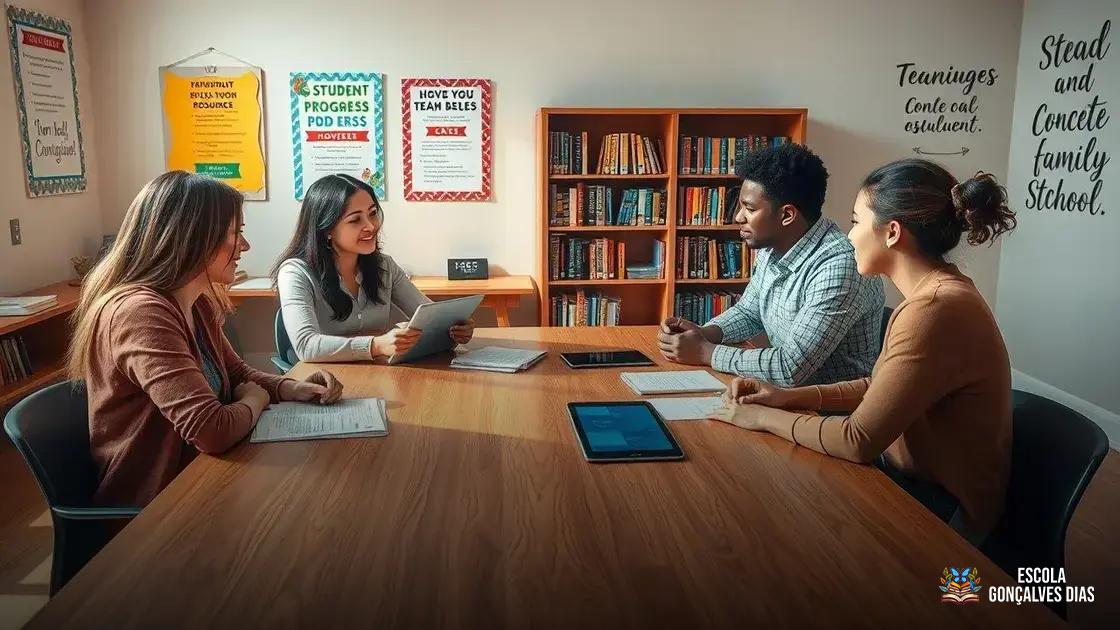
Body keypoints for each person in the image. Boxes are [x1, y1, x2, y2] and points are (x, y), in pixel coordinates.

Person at [709, 159, 1018, 544]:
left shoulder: (934, 309)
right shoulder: (936, 294)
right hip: (906, 475)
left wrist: (759, 416)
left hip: (940, 510)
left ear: (891, 232)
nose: (849, 235)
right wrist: (787, 398)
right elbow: (882, 385)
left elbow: (857, 440)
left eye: (856, 221)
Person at [68, 171, 344, 508]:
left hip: (202, 477)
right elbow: (211, 430)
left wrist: (290, 387)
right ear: (193, 238)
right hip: (155, 507)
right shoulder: (140, 313)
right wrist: (255, 401)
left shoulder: (195, 301)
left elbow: (239, 376)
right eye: (234, 233)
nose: (244, 245)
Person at [658, 143, 884, 387]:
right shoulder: (773, 244)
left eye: (750, 208)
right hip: (784, 396)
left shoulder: (839, 268)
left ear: (787, 215)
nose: (738, 217)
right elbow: (749, 312)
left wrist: (705, 352)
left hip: (828, 410)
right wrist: (705, 333)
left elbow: (790, 367)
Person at [273, 174, 474, 363]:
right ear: (326, 229)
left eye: (373, 213)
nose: (371, 226)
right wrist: (376, 345)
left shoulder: (384, 266)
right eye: (355, 220)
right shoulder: (295, 273)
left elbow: (431, 317)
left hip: (376, 372)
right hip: (321, 379)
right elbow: (306, 346)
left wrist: (453, 328)